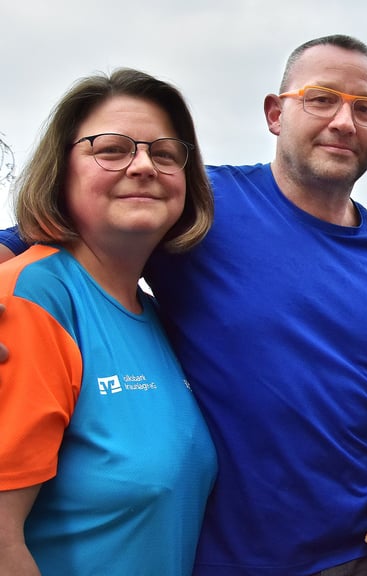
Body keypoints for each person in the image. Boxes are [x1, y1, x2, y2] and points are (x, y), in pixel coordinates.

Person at [0, 35, 367, 575]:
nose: (344, 122)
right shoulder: (198, 204)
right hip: (238, 560)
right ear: (275, 114)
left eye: (366, 108)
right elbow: (51, 225)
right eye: (321, 98)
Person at [0, 68, 217, 575]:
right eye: (112, 150)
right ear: (61, 171)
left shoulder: (157, 317)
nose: (143, 166)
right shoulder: (32, 300)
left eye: (165, 154)